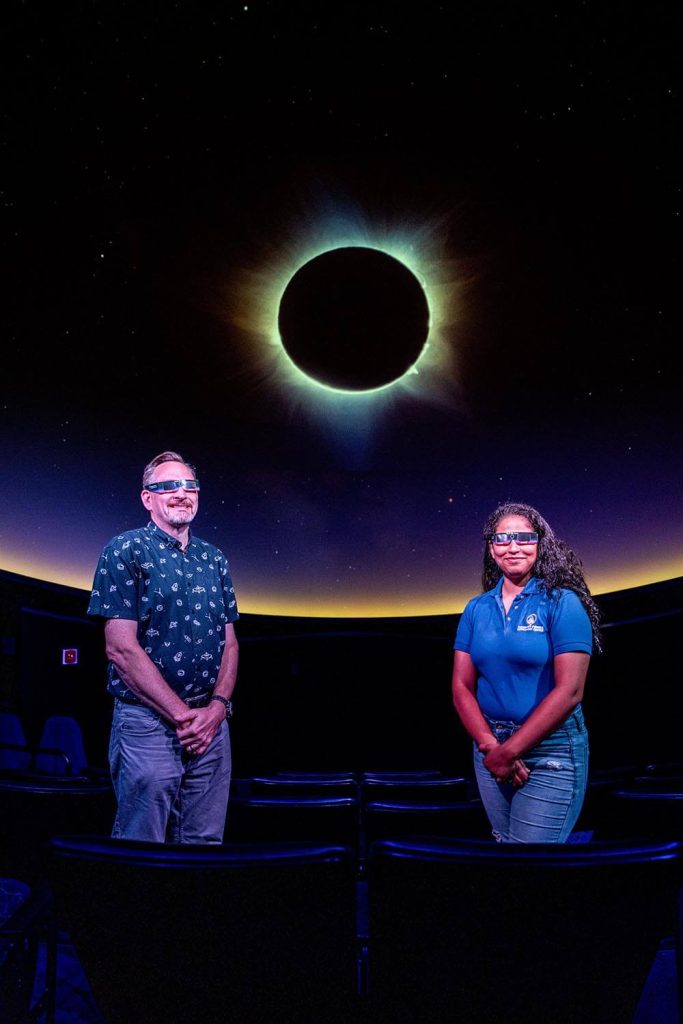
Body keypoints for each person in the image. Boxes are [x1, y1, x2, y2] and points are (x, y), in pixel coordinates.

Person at [87, 450, 239, 843]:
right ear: (147, 498)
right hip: (148, 723)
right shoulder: (124, 550)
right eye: (168, 486)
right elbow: (120, 650)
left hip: (211, 725)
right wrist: (185, 718)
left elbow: (229, 642)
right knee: (143, 842)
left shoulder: (214, 559)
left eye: (189, 486)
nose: (181, 493)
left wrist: (216, 709)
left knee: (204, 844)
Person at [452, 501, 600, 843]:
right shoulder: (475, 609)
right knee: (505, 847)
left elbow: (570, 691)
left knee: (530, 860)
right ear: (491, 549)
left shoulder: (562, 603)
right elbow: (461, 686)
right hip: (490, 747)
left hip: (551, 749)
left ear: (539, 544)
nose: (513, 546)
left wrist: (510, 751)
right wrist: (491, 746)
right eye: (502, 539)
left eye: (524, 537)